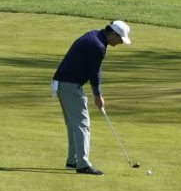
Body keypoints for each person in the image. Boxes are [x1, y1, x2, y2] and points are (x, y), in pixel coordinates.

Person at [51, 19, 131, 174]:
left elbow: (96, 68)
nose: (120, 43)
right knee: (82, 124)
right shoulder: (98, 45)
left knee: (74, 125)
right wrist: (97, 96)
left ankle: (73, 161)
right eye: (120, 39)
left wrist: (97, 94)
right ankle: (82, 164)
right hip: (69, 84)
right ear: (113, 34)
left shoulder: (97, 36)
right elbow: (94, 74)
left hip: (63, 83)